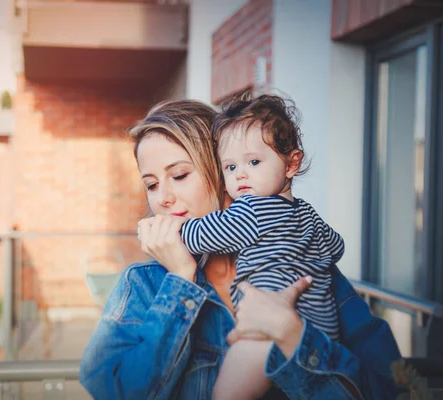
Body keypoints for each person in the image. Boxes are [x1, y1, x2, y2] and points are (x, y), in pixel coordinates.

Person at [79, 99, 403, 400]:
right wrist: (180, 279)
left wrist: (292, 334)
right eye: (151, 184)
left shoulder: (307, 269)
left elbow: (387, 389)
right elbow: (115, 392)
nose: (162, 197)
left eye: (179, 175)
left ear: (221, 171)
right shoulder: (143, 285)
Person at [146, 94, 343, 399]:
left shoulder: (251, 209)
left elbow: (204, 235)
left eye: (253, 162)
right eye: (230, 167)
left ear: (292, 164)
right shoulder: (307, 214)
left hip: (265, 333)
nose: (240, 175)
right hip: (321, 331)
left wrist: (169, 232)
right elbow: (336, 247)